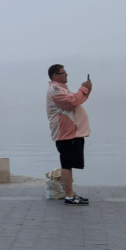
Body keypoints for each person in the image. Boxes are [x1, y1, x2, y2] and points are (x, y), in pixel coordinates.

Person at [46, 64, 93, 205]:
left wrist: (86, 90)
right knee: (66, 164)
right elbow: (72, 102)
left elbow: (76, 99)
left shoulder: (62, 89)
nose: (67, 75)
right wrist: (85, 88)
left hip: (72, 133)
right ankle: (69, 196)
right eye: (64, 73)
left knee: (70, 164)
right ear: (55, 75)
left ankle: (70, 193)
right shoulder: (54, 90)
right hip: (66, 133)